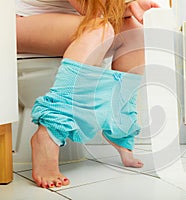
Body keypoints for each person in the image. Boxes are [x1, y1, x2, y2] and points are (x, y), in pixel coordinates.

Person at [16, 0, 160, 189]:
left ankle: (120, 125)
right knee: (99, 29)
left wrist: (132, 6)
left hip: (65, 23)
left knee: (133, 32)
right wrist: (131, 5)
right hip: (19, 24)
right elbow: (95, 9)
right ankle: (48, 134)